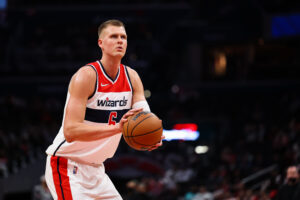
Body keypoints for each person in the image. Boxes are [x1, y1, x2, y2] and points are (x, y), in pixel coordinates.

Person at [44, 19, 164, 200]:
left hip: (97, 169)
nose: (120, 41)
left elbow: (143, 117)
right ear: (101, 43)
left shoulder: (132, 77)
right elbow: (71, 131)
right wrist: (117, 128)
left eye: (123, 37)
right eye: (114, 36)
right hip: (66, 166)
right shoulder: (86, 76)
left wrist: (153, 135)